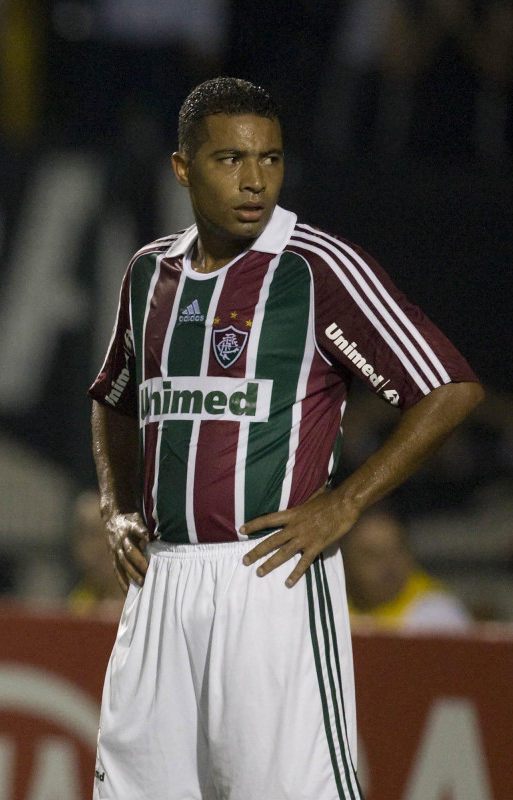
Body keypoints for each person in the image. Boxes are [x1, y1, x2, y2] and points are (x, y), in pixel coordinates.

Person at [87, 76, 483, 799]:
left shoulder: (315, 266)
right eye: (231, 159)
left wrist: (347, 501)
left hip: (269, 579)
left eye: (269, 159)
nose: (255, 180)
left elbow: (450, 389)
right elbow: (113, 398)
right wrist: (115, 507)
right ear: (183, 168)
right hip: (159, 583)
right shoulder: (150, 273)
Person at [342, 503, 471, 631]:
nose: (389, 565)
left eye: (397, 551)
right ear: (345, 564)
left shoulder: (439, 615)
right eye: (373, 556)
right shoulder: (333, 613)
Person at [65, 490, 126, 620]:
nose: (97, 548)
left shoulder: (157, 606)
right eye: (90, 535)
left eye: (110, 534)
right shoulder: (77, 607)